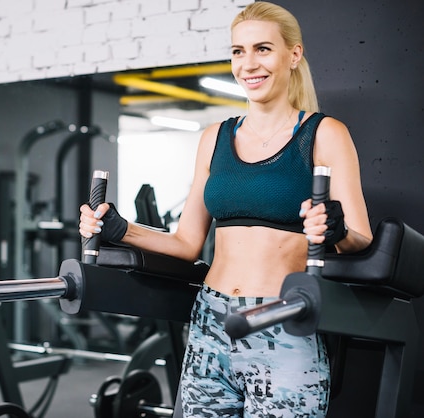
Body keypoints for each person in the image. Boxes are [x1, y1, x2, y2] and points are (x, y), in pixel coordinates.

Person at [80, 1, 372, 417]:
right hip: (210, 321)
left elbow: (361, 238)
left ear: (294, 54)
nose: (248, 63)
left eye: (262, 49)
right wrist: (119, 228)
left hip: (281, 321)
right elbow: (186, 243)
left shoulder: (324, 133)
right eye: (238, 51)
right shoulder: (215, 137)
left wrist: (337, 229)